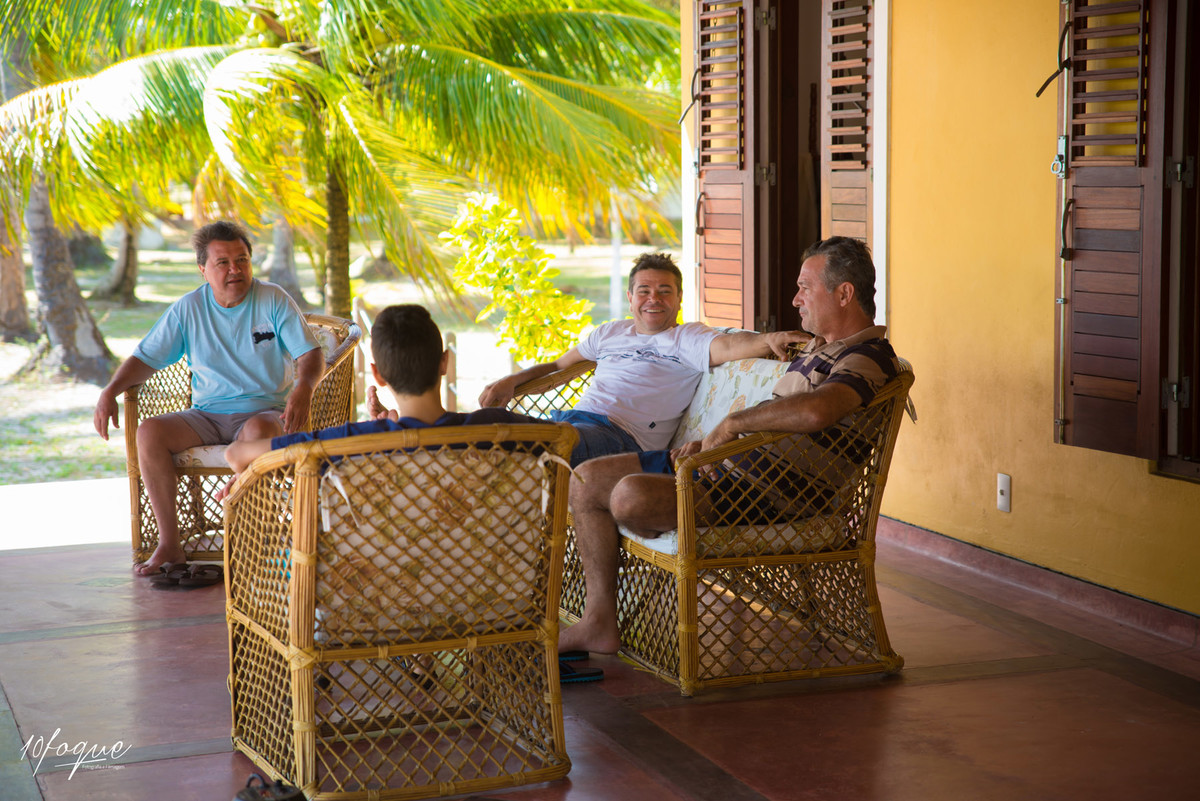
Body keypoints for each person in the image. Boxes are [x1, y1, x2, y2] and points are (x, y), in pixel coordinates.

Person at [558, 236, 903, 656]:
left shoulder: (868, 356)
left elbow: (817, 412)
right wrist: (707, 444)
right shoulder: (819, 349)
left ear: (844, 293)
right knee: (587, 478)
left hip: (765, 496)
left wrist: (733, 424)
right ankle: (599, 621)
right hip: (726, 472)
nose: (796, 300)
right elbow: (780, 413)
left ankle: (644, 519)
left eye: (805, 288)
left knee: (629, 495)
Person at [94, 220, 323, 577]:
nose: (235, 270)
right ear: (203, 269)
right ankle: (170, 544)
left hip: (263, 412)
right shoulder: (188, 309)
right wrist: (110, 391)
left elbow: (310, 354)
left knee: (259, 429)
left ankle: (253, 540)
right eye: (223, 262)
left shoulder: (273, 299)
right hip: (206, 416)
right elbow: (146, 358)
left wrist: (304, 387)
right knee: (149, 432)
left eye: (242, 260)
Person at [465, 251, 805, 466]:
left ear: (679, 299)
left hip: (621, 441)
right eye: (644, 291)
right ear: (630, 297)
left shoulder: (686, 338)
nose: (652, 299)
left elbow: (731, 347)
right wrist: (511, 380)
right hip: (574, 423)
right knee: (488, 422)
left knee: (517, 438)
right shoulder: (611, 333)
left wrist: (770, 339)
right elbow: (556, 368)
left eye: (664, 291)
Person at [223, 303, 548, 474]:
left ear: (377, 375)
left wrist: (384, 427)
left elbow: (236, 454)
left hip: (374, 597)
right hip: (483, 592)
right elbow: (568, 438)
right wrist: (390, 424)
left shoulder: (348, 442)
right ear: (445, 363)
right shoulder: (496, 428)